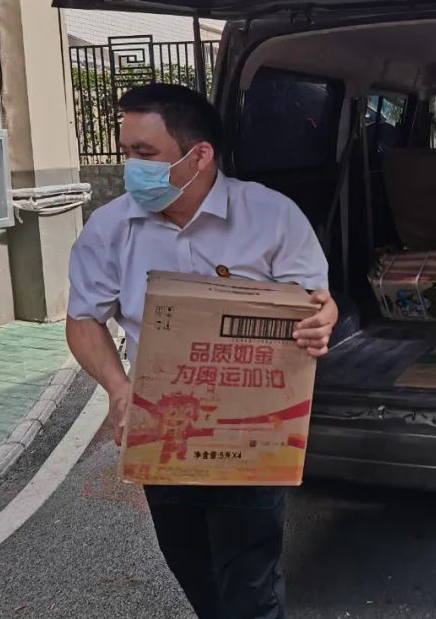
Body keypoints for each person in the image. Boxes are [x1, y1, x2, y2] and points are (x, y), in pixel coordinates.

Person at [66, 83, 338, 619]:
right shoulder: (109, 227)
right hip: (162, 428)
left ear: (199, 156)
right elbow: (82, 319)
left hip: (252, 426)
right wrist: (119, 389)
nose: (131, 167)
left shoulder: (271, 216)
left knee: (250, 582)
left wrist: (321, 319)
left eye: (145, 153)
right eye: (126, 152)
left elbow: (315, 303)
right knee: (192, 567)